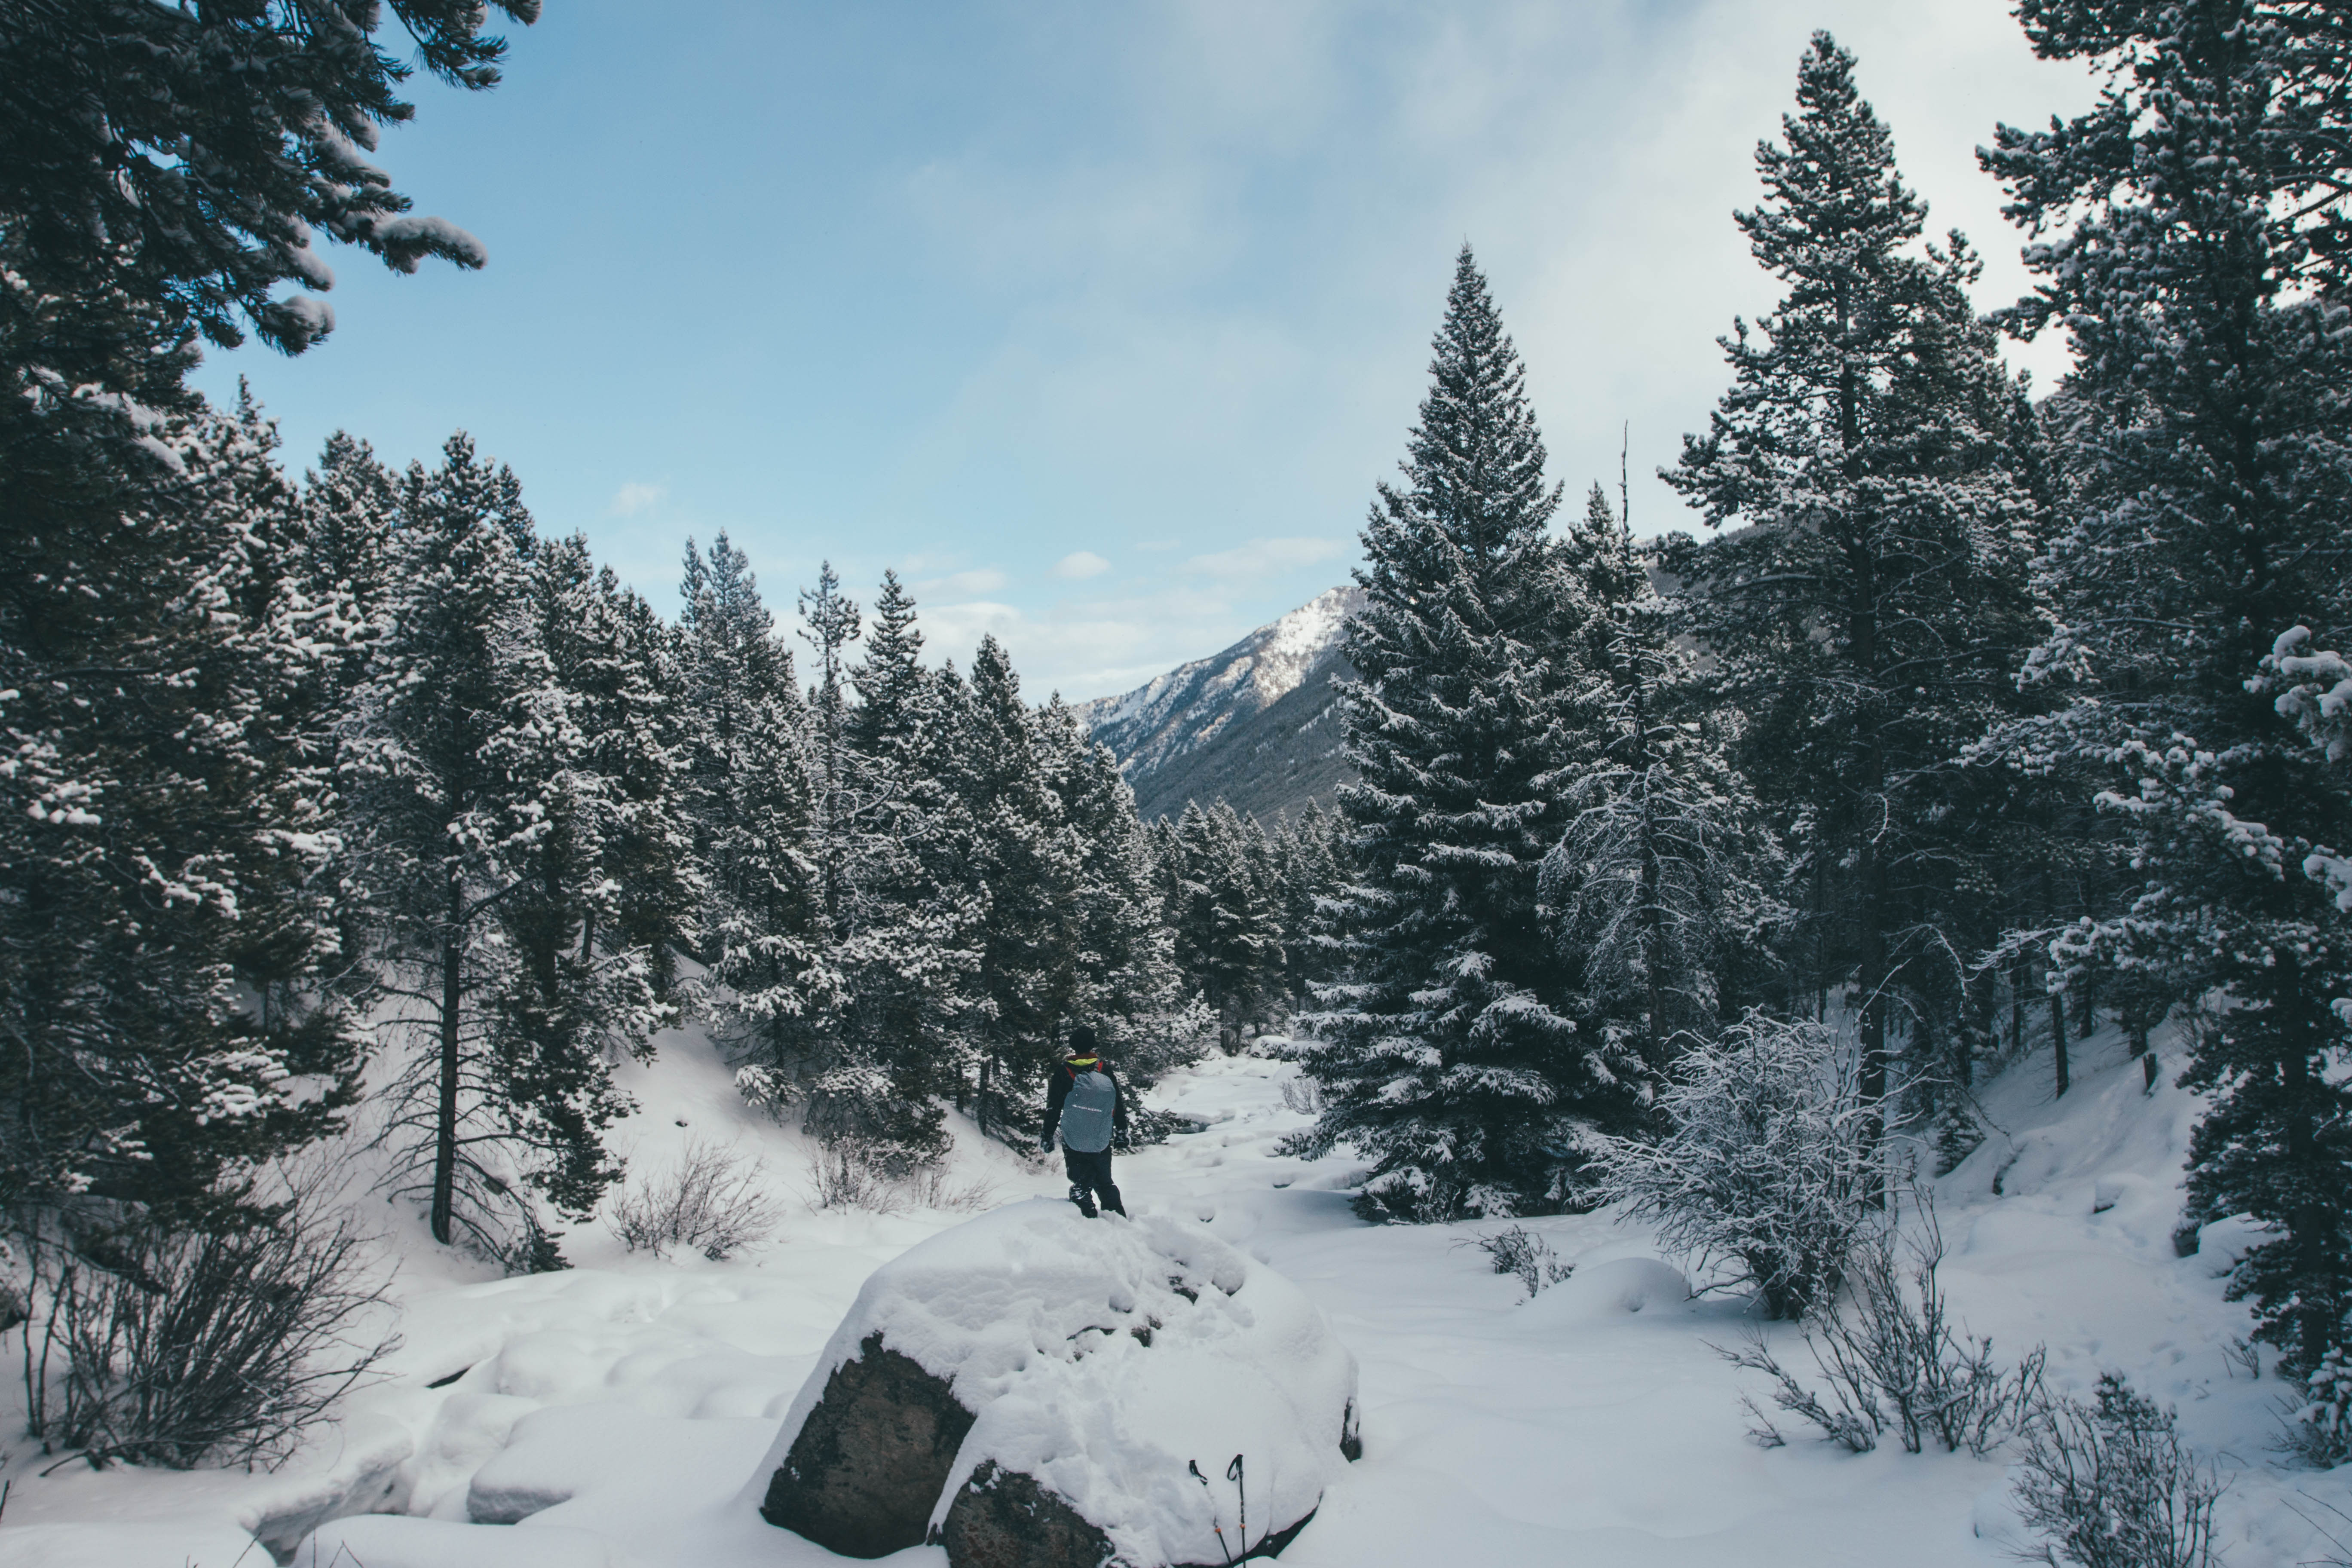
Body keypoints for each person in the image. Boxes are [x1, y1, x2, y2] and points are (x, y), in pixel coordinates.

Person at [1041, 1025, 1128, 1217]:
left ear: (1073, 1047)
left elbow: (1054, 1107)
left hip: (1074, 1137)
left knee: (1080, 1183)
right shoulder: (1103, 1069)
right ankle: (1118, 1221)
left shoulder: (1063, 1071)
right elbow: (1117, 1104)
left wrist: (1047, 1135)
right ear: (1092, 1046)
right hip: (1101, 1136)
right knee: (1105, 1182)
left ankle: (1086, 1221)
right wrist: (1122, 1131)